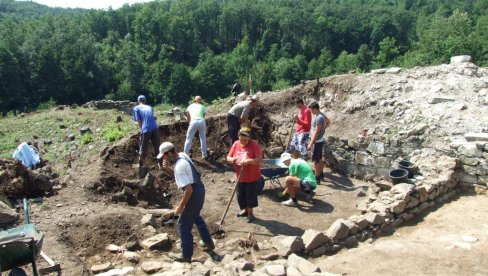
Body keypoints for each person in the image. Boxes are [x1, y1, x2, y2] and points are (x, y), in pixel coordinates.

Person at [157, 142, 214, 263]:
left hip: (193, 193)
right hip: (200, 189)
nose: (163, 158)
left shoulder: (179, 166)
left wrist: (180, 207)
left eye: (164, 155)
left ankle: (186, 255)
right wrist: (168, 169)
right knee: (196, 216)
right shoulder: (182, 155)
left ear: (169, 153)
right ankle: (208, 242)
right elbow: (181, 177)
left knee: (182, 224)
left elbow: (188, 189)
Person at [226, 127, 262, 223]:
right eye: (241, 139)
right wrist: (232, 160)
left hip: (251, 175)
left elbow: (259, 160)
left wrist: (249, 161)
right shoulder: (236, 144)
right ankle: (245, 211)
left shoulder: (254, 144)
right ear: (238, 137)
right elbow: (228, 157)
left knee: (249, 195)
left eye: (245, 140)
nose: (243, 142)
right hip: (240, 175)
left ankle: (250, 214)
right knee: (240, 195)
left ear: (249, 138)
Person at [133, 95, 160, 169]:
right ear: (145, 101)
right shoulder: (150, 107)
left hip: (146, 129)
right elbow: (153, 117)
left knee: (143, 147)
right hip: (155, 127)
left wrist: (142, 129)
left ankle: (140, 165)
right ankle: (160, 164)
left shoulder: (136, 108)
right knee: (157, 146)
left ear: (138, 101)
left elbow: (139, 121)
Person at [307, 102, 326, 183]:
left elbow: (317, 131)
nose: (311, 111)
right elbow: (328, 122)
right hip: (320, 140)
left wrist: (311, 143)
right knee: (320, 158)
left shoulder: (319, 118)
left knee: (316, 161)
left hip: (317, 142)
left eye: (311, 110)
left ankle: (317, 178)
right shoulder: (323, 116)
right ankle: (321, 175)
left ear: (315, 109)